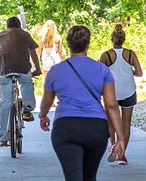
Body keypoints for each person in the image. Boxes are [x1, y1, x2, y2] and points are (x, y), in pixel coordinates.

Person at [39, 25, 125, 180]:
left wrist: (42, 117)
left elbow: (46, 102)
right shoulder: (102, 70)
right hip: (95, 128)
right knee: (90, 176)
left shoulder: (55, 71)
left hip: (65, 128)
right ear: (88, 44)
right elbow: (111, 105)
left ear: (68, 44)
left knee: (73, 176)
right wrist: (120, 138)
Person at [0, 16, 42, 146]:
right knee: (26, 83)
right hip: (22, 69)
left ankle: (3, 136)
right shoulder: (24, 34)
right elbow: (33, 53)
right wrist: (38, 69)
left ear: (7, 26)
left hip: (4, 71)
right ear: (19, 25)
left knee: (5, 102)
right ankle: (27, 108)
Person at [99, 24, 143, 165]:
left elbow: (100, 74)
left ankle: (113, 146)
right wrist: (130, 72)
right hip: (129, 90)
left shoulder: (106, 55)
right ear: (124, 39)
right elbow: (140, 72)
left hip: (111, 91)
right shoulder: (131, 54)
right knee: (126, 123)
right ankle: (122, 155)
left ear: (112, 39)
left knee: (111, 121)